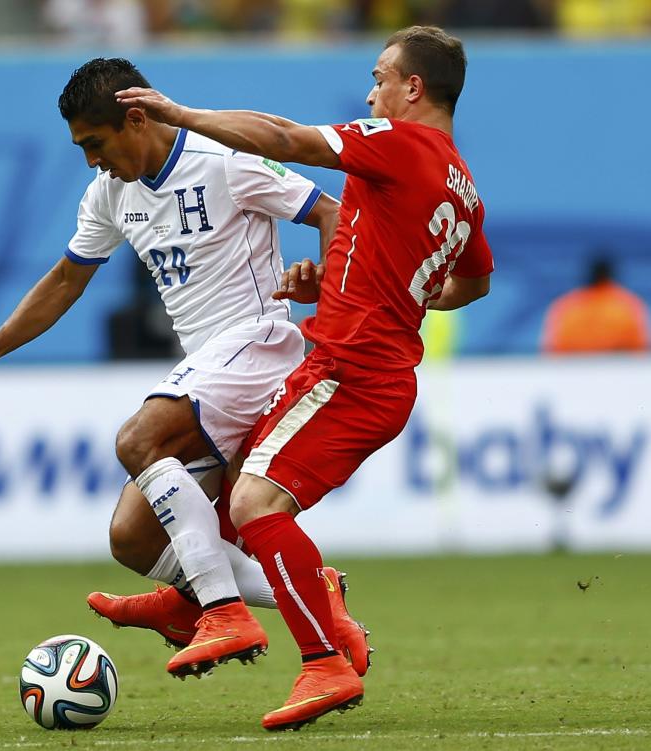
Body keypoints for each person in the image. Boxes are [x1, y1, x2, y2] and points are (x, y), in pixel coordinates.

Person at [0, 58, 370, 680]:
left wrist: (327, 284)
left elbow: (332, 210)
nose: (90, 160)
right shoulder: (108, 194)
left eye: (95, 143)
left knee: (138, 439)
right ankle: (318, 596)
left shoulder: (223, 157)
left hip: (260, 345)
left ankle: (221, 611)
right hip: (209, 369)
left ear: (136, 119)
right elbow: (64, 281)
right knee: (133, 537)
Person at [116, 23, 494, 730]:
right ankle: (198, 603)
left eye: (381, 76)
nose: (370, 89)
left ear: (414, 88)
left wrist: (182, 114)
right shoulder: (462, 185)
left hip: (353, 368)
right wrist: (360, 286)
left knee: (256, 502)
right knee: (230, 491)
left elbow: (285, 139)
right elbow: (470, 284)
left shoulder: (399, 140)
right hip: (362, 359)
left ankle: (324, 659)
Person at [541, 255, 651, 353]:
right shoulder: (627, 306)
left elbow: (553, 352)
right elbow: (642, 351)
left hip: (575, 374)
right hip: (618, 374)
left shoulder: (567, 307)